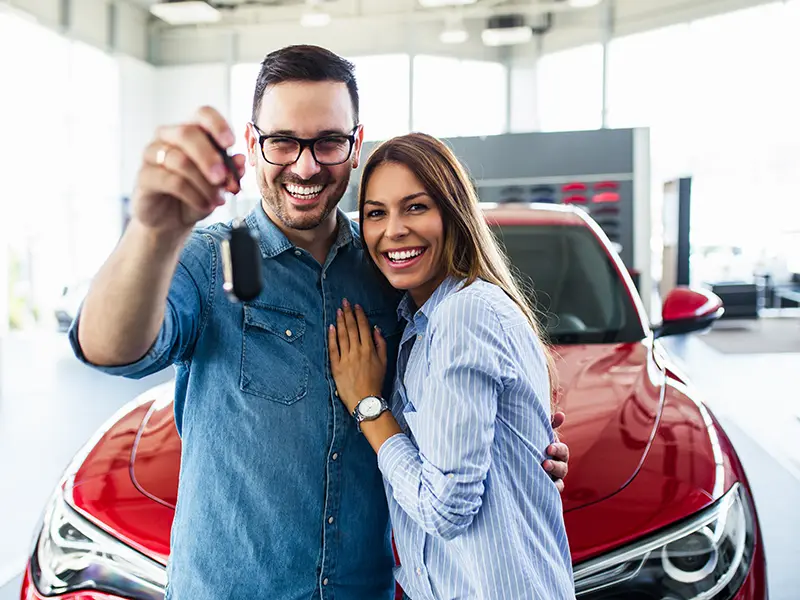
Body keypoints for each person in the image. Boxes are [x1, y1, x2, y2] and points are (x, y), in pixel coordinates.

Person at [68, 45, 570, 600]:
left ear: (355, 146)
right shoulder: (213, 261)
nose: (305, 167)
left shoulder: (390, 270)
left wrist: (515, 448)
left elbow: (448, 395)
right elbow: (110, 349)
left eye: (328, 142)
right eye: (283, 141)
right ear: (253, 143)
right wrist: (153, 231)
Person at [327, 132, 575, 599]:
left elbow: (445, 510)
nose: (394, 230)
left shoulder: (465, 314)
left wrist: (368, 407)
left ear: (453, 213)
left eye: (416, 207)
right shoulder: (419, 324)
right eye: (377, 213)